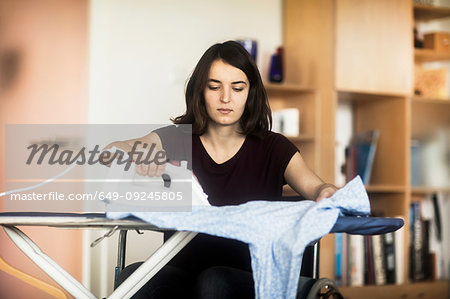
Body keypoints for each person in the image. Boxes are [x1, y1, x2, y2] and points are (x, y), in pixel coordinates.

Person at [108, 40, 338, 299]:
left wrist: (327, 191)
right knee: (134, 278)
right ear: (200, 91)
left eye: (237, 88)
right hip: (181, 274)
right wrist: (135, 153)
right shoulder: (175, 139)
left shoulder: (274, 148)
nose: (225, 98)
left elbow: (316, 187)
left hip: (250, 278)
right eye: (214, 87)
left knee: (214, 281)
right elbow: (115, 150)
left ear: (250, 93)